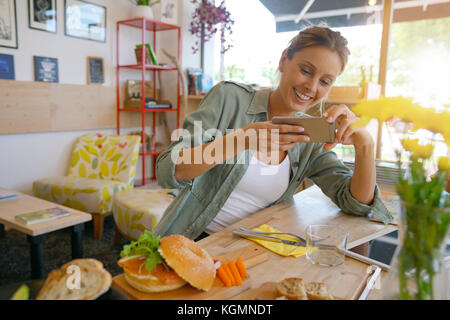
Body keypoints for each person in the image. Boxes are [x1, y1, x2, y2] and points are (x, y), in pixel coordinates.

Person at [154, 26, 393, 241]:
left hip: (253, 249)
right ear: (283, 61)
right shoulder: (229, 98)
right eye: (306, 70)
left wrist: (365, 146)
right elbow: (172, 170)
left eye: (325, 81)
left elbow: (356, 203)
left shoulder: (311, 136)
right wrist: (242, 138)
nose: (311, 87)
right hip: (193, 239)